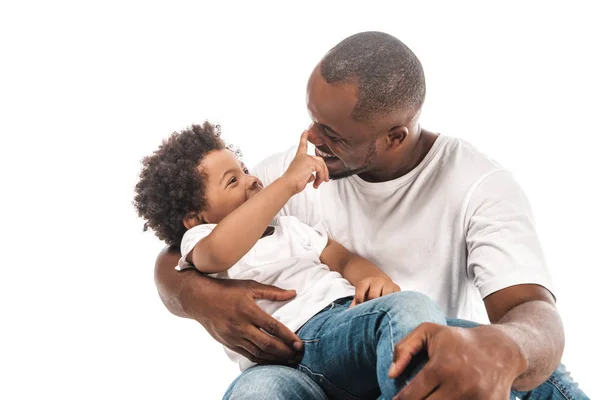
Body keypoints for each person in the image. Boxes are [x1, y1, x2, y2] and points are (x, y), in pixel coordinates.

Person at [154, 32, 588, 399]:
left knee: (437, 323)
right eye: (312, 120)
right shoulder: (287, 176)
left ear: (394, 136)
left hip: (399, 364)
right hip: (292, 366)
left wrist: (506, 350)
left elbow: (532, 313)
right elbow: (182, 252)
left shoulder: (478, 185)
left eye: (334, 135)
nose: (312, 140)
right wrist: (201, 299)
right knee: (256, 392)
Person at [133, 122, 451, 399]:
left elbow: (342, 258)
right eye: (233, 181)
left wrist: (373, 277)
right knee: (255, 393)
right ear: (195, 218)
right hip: (271, 367)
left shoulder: (291, 228)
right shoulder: (201, 240)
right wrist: (287, 183)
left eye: (244, 170)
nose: (252, 179)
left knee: (413, 310)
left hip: (337, 330)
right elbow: (218, 253)